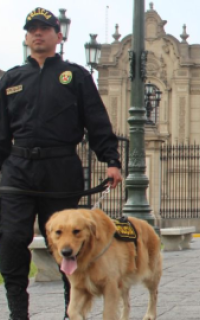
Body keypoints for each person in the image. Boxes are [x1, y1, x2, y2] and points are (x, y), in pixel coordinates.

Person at [0, 7, 122, 320]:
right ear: (26, 37)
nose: (37, 34)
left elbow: (96, 120)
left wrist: (110, 158)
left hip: (61, 169)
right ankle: (17, 314)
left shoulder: (76, 76)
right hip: (18, 170)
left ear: (58, 35)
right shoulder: (11, 79)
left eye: (44, 28)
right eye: (32, 29)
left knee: (69, 246)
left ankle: (72, 314)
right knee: (12, 239)